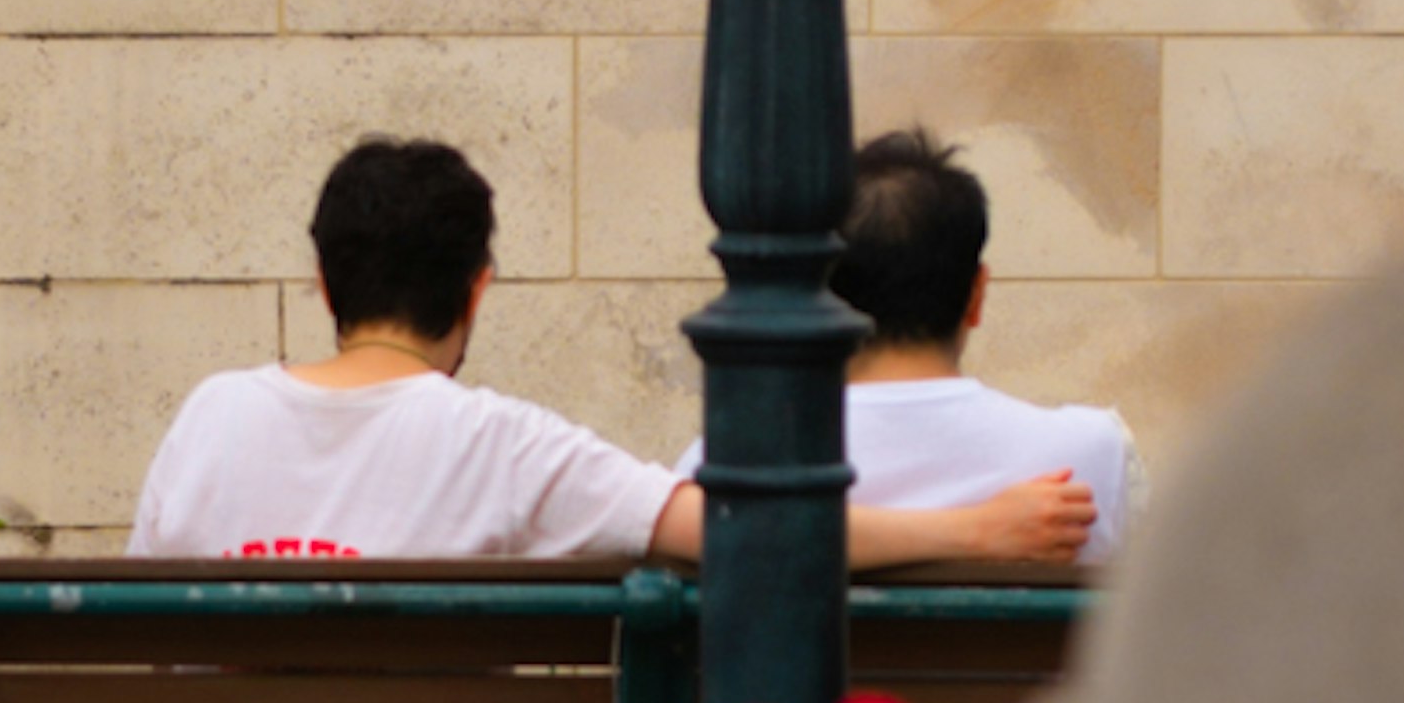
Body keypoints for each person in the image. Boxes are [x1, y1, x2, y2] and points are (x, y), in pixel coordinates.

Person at [133, 134, 1095, 569]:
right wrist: (975, 531)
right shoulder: (505, 445)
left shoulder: (211, 414)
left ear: (323, 281)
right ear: (478, 286)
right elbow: (749, 533)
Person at [826, 125, 1137, 569]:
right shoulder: (1092, 451)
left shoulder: (758, 461)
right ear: (976, 296)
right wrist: (977, 528)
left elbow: (698, 514)